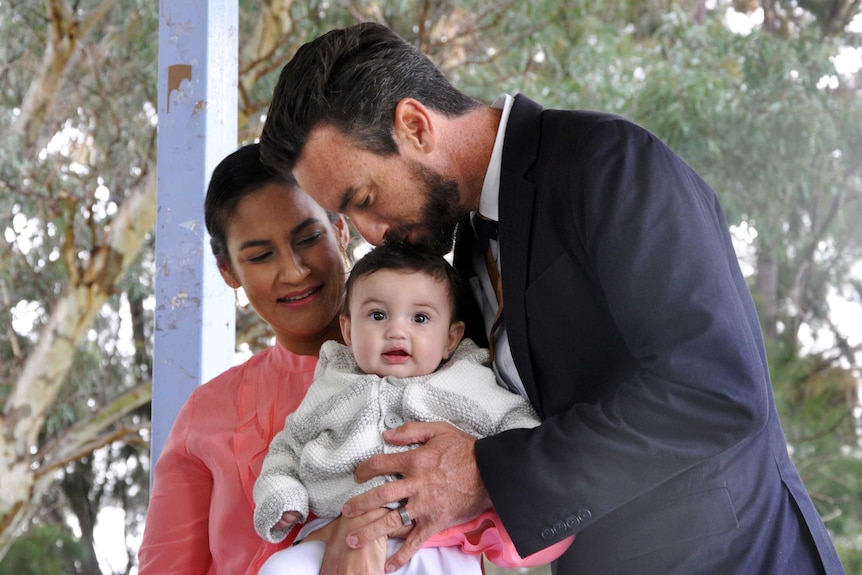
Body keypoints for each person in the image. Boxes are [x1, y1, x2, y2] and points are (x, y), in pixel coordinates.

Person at [257, 22, 846, 575]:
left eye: (363, 196)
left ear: (415, 125)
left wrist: (487, 475)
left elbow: (717, 391)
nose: (370, 233)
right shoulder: (462, 255)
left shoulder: (610, 162)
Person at [253, 243, 570, 574]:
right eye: (378, 315)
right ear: (348, 330)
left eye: (420, 318)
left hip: (435, 541)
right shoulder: (332, 385)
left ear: (450, 338)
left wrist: (489, 466)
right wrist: (283, 495)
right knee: (279, 568)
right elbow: (287, 448)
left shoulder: (468, 383)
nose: (396, 331)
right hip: (336, 531)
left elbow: (521, 429)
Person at [138, 143, 381, 574]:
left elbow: (518, 531)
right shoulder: (206, 414)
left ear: (341, 230)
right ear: (228, 270)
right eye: (260, 255)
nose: (293, 271)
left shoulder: (438, 356)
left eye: (308, 238)